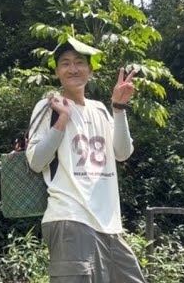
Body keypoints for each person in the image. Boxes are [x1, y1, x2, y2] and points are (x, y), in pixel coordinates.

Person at [26, 39, 144, 283]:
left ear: (90, 70)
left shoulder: (100, 109)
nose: (73, 69)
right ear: (57, 71)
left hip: (109, 224)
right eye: (65, 63)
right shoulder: (48, 107)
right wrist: (63, 118)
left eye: (80, 63)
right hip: (70, 218)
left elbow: (122, 152)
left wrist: (119, 108)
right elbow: (36, 162)